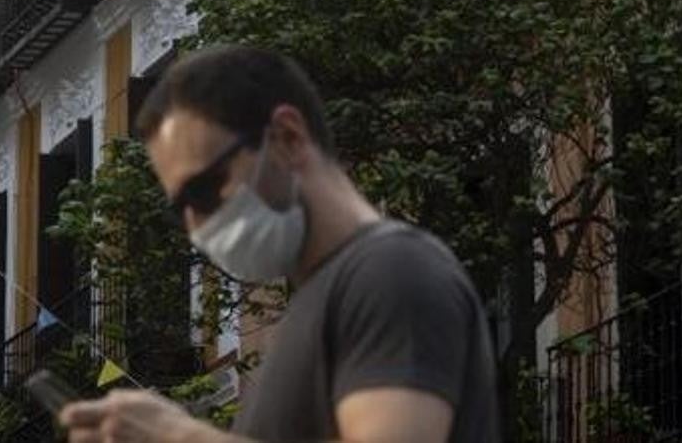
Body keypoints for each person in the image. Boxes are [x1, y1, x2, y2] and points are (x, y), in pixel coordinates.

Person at [60, 45, 499, 443]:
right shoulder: (317, 306)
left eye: (205, 189)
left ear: (287, 137)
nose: (195, 226)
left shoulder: (392, 272)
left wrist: (182, 438)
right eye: (181, 209)